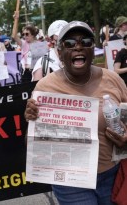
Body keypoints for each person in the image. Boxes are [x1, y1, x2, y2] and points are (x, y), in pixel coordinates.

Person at [24, 20, 127, 204]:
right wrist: (32, 122)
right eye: (70, 43)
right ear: (60, 52)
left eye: (85, 42)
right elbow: (31, 144)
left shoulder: (112, 79)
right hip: (70, 183)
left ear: (92, 50)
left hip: (113, 176)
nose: (78, 47)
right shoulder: (45, 87)